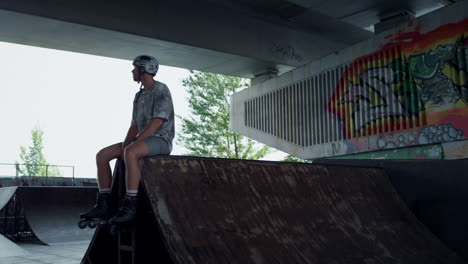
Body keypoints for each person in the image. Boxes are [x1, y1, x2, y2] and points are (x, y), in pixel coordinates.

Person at [80, 55, 174, 223]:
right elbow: (134, 126)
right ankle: (104, 204)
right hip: (141, 139)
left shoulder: (161, 89)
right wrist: (124, 146)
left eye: (135, 68)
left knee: (131, 152)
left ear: (143, 69)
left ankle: (131, 205)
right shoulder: (139, 96)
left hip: (160, 140)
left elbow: (156, 122)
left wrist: (132, 145)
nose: (132, 71)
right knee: (102, 155)